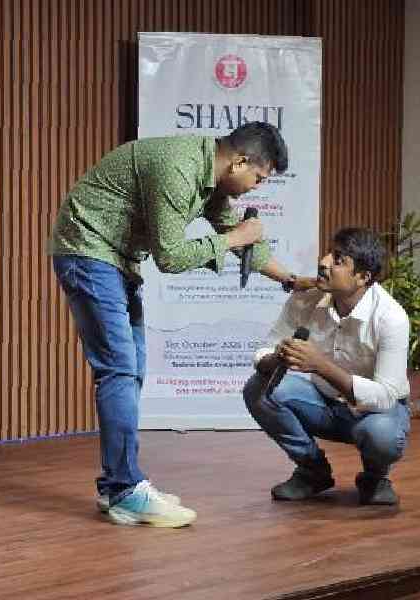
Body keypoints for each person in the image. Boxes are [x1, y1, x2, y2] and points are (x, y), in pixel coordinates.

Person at [48, 122, 315, 527]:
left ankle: (115, 486)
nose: (257, 187)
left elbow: (235, 234)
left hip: (115, 259)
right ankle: (124, 490)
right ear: (239, 161)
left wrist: (292, 281)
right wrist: (234, 239)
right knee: (119, 370)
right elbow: (171, 257)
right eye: (258, 177)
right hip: (88, 250)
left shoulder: (212, 179)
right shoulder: (178, 167)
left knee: (131, 370)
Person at [243, 227, 411, 506]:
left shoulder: (391, 318)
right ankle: (312, 471)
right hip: (323, 404)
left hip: (371, 413)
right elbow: (266, 348)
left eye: (339, 260)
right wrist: (277, 358)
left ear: (363, 277)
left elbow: (385, 397)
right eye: (330, 253)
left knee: (382, 434)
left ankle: (375, 478)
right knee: (258, 389)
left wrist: (320, 365)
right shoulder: (306, 297)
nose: (323, 261)